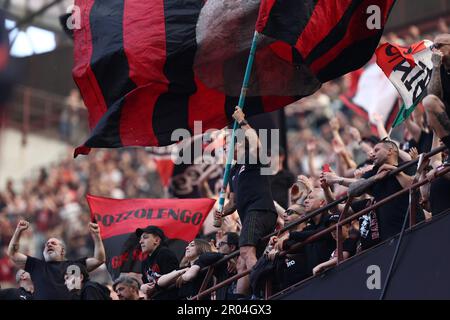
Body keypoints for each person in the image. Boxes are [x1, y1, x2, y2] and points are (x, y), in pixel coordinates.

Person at [219, 107, 278, 297]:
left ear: (240, 146)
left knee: (245, 252)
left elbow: (258, 145)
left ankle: (265, 290)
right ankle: (241, 298)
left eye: (229, 145)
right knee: (242, 263)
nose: (225, 149)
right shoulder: (233, 173)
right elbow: (234, 203)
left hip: (259, 210)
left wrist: (242, 121)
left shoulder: (252, 159)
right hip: (249, 216)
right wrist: (222, 212)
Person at [7, 220, 106, 300]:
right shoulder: (36, 265)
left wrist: (97, 236)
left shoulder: (74, 266)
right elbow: (12, 254)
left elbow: (99, 259)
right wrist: (18, 231)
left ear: (62, 251)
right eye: (46, 245)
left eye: (53, 243)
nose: (49, 244)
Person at [422, 33, 450, 156]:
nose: (435, 50)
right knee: (429, 101)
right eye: (433, 47)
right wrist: (436, 67)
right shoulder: (436, 68)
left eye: (439, 46)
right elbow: (434, 95)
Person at [136, 225, 178, 300]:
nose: (140, 241)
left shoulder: (165, 254)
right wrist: (143, 287)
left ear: (157, 240)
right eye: (140, 238)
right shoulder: (145, 262)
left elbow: (173, 279)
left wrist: (153, 288)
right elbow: (146, 284)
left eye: (145, 237)